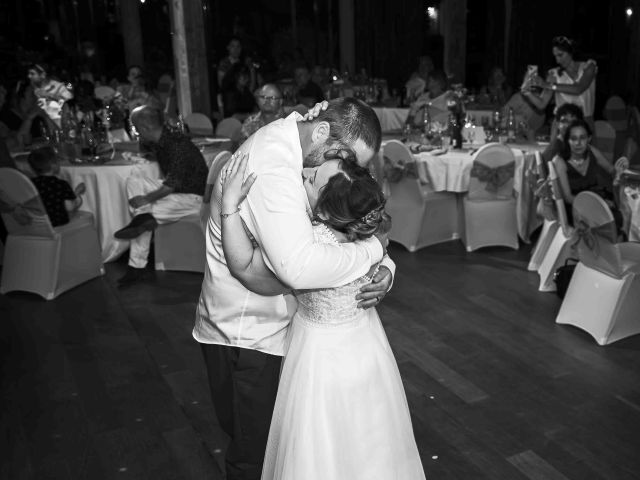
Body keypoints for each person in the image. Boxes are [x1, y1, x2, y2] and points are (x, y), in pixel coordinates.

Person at [193, 98, 395, 480]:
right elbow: (297, 270)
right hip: (250, 332)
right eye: (344, 156)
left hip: (297, 337)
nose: (345, 169)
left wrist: (385, 265)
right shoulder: (274, 167)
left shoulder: (308, 149)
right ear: (320, 133)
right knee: (256, 455)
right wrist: (374, 250)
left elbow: (350, 220)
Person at [220, 152, 426, 480]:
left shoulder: (309, 248)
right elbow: (377, 249)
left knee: (317, 439)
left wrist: (229, 207)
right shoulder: (364, 235)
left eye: (313, 179)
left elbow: (243, 264)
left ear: (327, 208)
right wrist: (385, 264)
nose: (304, 174)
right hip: (366, 347)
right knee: (367, 435)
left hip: (319, 356)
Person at [113, 106, 208, 286]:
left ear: (145, 128)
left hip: (193, 197)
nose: (135, 132)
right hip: (179, 191)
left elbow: (171, 184)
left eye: (136, 128)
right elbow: (139, 147)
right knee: (134, 181)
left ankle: (136, 267)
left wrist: (147, 199)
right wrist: (113, 146)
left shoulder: (177, 145)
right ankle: (143, 218)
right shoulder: (161, 137)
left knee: (144, 215)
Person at [553, 119, 626, 225]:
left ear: (589, 139)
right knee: (612, 221)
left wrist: (618, 171)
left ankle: (619, 240)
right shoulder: (560, 161)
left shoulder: (592, 152)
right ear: (567, 141)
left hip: (595, 198)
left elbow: (611, 170)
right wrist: (599, 205)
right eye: (573, 139)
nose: (578, 143)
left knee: (622, 215)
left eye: (582, 138)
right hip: (575, 207)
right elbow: (568, 198)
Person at [522, 36, 597, 130]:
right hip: (562, 125)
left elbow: (578, 89)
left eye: (560, 55)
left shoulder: (589, 67)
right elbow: (542, 104)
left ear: (571, 51)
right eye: (555, 57)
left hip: (585, 124)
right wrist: (526, 92)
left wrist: (547, 85)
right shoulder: (554, 74)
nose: (557, 60)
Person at [27, 146, 85, 227]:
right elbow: (70, 207)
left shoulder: (31, 183)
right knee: (79, 202)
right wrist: (77, 193)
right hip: (57, 222)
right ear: (53, 165)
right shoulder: (61, 184)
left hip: (38, 224)